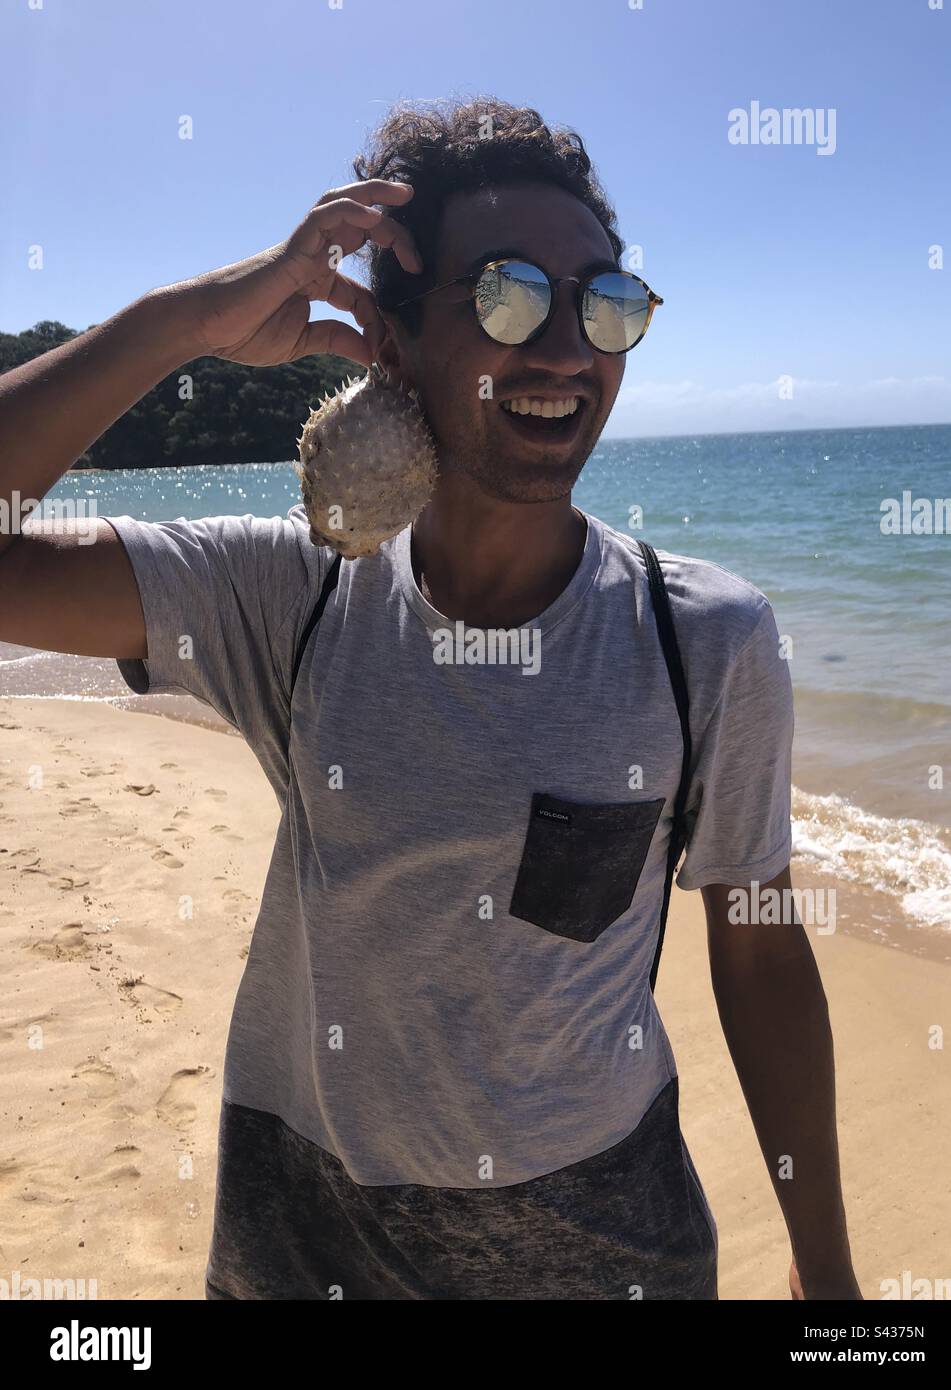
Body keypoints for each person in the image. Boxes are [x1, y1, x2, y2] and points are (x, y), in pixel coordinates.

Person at [0, 96, 861, 1301]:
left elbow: (761, 959)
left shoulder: (702, 636)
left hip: (599, 1240)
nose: (564, 348)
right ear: (393, 343)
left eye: (603, 304)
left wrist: (829, 1277)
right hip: (302, 1231)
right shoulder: (291, 596)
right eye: (505, 295)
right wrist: (183, 324)